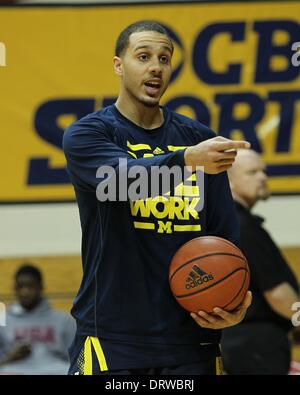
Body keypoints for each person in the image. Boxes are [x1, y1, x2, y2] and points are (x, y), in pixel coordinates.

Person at [63, 20, 252, 376]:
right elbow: (121, 182)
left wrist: (237, 299)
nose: (156, 66)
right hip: (113, 340)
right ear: (119, 65)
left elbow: (225, 237)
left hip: (192, 339)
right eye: (144, 56)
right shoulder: (89, 133)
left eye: (164, 59)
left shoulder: (198, 137)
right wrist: (185, 160)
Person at [221, 149, 299, 375]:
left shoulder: (228, 222)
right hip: (257, 348)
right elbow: (277, 295)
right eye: (252, 172)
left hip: (239, 344)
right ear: (230, 181)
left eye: (264, 171)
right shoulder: (243, 227)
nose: (263, 177)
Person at [0, 264, 76, 375]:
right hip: (14, 370)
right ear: (15, 289)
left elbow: (77, 359)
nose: (25, 292)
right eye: (20, 287)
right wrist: (10, 357)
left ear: (41, 287)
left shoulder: (64, 321)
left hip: (57, 370)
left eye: (31, 286)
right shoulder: (2, 321)